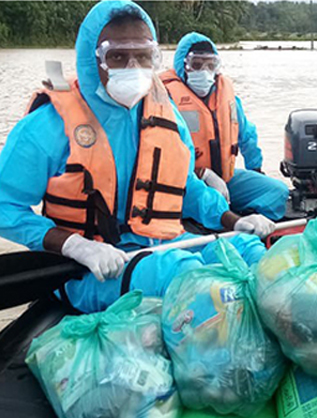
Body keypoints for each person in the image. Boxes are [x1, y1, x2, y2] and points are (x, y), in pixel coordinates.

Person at [0, 1, 276, 313]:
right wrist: (74, 245)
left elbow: (186, 188)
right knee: (182, 275)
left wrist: (234, 221)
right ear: (94, 60)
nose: (133, 68)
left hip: (161, 243)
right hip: (87, 267)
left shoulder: (166, 114)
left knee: (248, 252)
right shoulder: (48, 125)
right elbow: (4, 206)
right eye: (117, 57)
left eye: (143, 57)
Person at [160, 32, 289, 221]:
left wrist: (255, 167)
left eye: (210, 65)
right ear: (182, 65)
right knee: (211, 204)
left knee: (277, 191)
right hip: (184, 185)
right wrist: (201, 174)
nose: (204, 71)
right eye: (196, 65)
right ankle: (224, 220)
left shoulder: (226, 96)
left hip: (226, 179)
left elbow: (247, 134)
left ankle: (251, 225)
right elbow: (160, 155)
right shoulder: (164, 98)